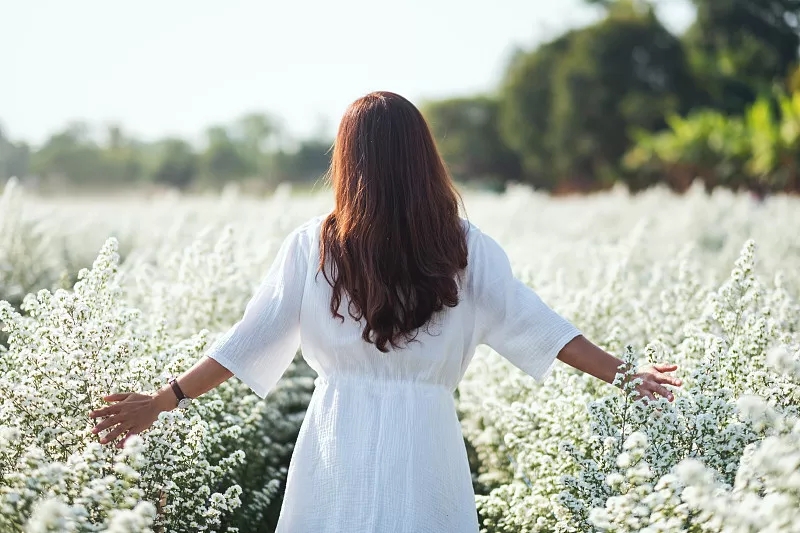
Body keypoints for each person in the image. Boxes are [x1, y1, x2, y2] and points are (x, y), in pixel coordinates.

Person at [88, 91, 682, 532]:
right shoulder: (463, 245)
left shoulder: (315, 245)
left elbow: (249, 338)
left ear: (349, 164)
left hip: (337, 434)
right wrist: (627, 374)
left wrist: (165, 399)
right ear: (423, 159)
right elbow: (540, 326)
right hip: (426, 440)